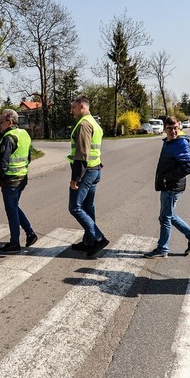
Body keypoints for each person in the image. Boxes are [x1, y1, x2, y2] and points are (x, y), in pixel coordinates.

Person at [145, 116, 190, 258]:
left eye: (175, 128)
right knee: (169, 215)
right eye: (170, 128)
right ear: (165, 129)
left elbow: (187, 167)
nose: (173, 131)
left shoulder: (180, 143)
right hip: (168, 185)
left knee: (165, 218)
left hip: (172, 186)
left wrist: (167, 177)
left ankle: (162, 249)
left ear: (179, 127)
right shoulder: (169, 142)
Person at [67, 95, 109, 257]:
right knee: (87, 207)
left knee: (75, 207)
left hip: (86, 172)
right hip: (95, 169)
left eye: (74, 107)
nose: (72, 111)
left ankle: (98, 238)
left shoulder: (84, 124)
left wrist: (75, 178)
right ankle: (88, 241)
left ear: (83, 106)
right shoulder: (93, 122)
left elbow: (82, 154)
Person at [0, 109, 38, 254]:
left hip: (11, 179)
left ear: (10, 122)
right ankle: (30, 233)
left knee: (11, 210)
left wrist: (1, 176)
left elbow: (3, 161)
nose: (0, 124)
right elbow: (29, 157)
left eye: (1, 121)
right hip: (22, 177)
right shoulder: (24, 134)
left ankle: (14, 243)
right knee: (14, 207)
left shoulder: (9, 137)